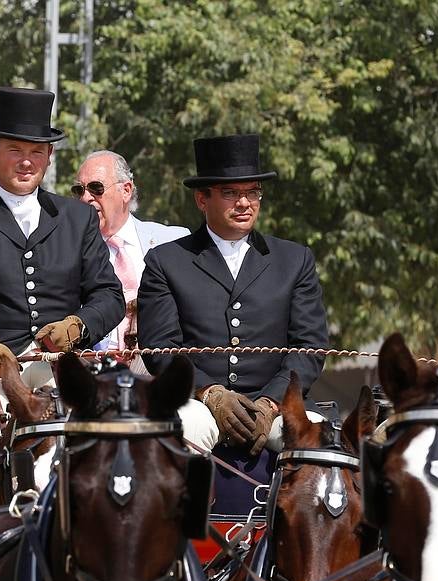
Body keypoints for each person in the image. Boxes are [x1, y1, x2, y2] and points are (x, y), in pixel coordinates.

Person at [0, 86, 124, 474]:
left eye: (36, 152)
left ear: (49, 157)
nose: (26, 162)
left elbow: (109, 294)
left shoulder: (76, 218)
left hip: (64, 367)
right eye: (16, 150)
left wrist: (79, 324)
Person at [135, 133, 330, 458]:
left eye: (252, 193)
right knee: (185, 428)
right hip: (198, 402)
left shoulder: (294, 260)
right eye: (230, 193)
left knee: (323, 445)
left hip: (277, 403)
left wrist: (270, 404)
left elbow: (309, 347)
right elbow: (160, 349)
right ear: (202, 199)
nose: (244, 203)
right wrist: (211, 393)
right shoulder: (165, 262)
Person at [71, 150, 190, 356]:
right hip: (93, 373)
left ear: (126, 190)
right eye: (79, 190)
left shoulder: (174, 242)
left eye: (96, 188)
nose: (86, 198)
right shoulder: (67, 250)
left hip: (159, 371)